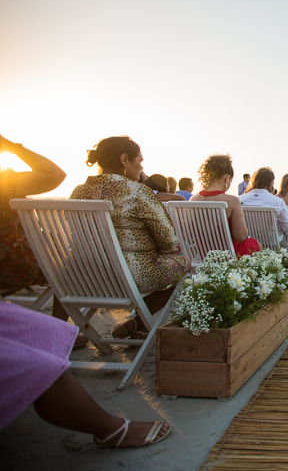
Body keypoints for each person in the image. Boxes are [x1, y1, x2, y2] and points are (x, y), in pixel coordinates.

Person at [0, 301, 172, 446]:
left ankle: (136, 325)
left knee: (45, 329)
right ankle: (110, 430)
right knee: (41, 366)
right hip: (112, 282)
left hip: (80, 282)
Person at [70, 136, 189, 339]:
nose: (141, 168)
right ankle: (140, 322)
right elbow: (169, 241)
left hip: (84, 277)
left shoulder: (78, 192)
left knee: (68, 266)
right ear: (124, 159)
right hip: (131, 277)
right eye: (140, 161)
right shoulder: (138, 192)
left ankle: (58, 332)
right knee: (184, 264)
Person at [1, 135, 66, 295]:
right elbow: (55, 175)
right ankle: (57, 321)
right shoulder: (4, 185)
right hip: (11, 267)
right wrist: (12, 147)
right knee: (67, 264)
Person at [191, 154, 259, 257]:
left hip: (202, 255)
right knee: (255, 243)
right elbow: (241, 236)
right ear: (227, 179)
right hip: (227, 255)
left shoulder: (193, 199)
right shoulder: (231, 201)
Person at [239, 167, 288, 248]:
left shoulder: (240, 200)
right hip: (274, 243)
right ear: (271, 182)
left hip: (252, 242)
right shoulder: (277, 201)